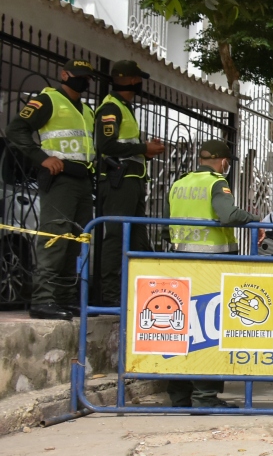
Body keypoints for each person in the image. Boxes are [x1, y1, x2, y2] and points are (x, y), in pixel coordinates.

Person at [167, 139, 258, 409]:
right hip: (211, 266)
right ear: (224, 161)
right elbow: (227, 215)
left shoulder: (179, 183)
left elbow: (165, 225)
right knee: (208, 330)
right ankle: (205, 398)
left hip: (179, 263)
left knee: (182, 329)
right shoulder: (217, 182)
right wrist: (255, 219)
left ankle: (179, 396)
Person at [8, 60, 98, 320]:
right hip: (59, 179)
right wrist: (41, 158)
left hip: (82, 180)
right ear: (64, 75)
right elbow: (16, 129)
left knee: (74, 241)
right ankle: (43, 300)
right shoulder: (48, 101)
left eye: (87, 78)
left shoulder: (86, 110)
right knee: (55, 238)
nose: (84, 81)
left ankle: (64, 299)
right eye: (79, 76)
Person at [94, 60, 166, 307]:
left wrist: (145, 153)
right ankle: (111, 296)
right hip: (118, 181)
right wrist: (143, 147)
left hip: (132, 180)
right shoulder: (110, 108)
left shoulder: (125, 107)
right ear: (133, 81)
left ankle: (137, 294)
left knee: (137, 240)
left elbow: (124, 146)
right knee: (116, 236)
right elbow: (106, 146)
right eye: (139, 80)